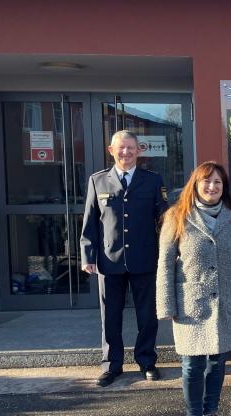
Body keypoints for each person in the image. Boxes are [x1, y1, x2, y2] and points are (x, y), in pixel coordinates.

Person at [156, 161, 231, 416]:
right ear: (196, 184)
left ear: (224, 187)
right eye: (207, 182)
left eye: (218, 183)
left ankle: (211, 413)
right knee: (191, 365)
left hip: (227, 300)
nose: (212, 187)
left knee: (218, 362)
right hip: (191, 304)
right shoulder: (176, 216)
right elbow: (165, 264)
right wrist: (166, 304)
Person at [80, 130, 167, 387]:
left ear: (138, 150)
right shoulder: (98, 181)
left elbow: (163, 220)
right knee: (111, 316)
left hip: (144, 258)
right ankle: (111, 365)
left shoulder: (152, 180)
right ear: (111, 150)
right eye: (121, 148)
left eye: (130, 148)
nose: (126, 153)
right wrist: (88, 255)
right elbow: (90, 222)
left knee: (147, 316)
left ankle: (147, 362)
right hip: (109, 259)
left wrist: (168, 253)